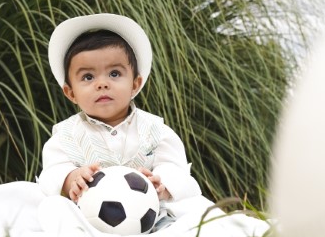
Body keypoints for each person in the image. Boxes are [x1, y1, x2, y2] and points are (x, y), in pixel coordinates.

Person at [36, 13, 201, 214]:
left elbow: (175, 167)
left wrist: (163, 183)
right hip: (85, 215)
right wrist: (71, 178)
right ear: (71, 93)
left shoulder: (156, 130)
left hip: (150, 215)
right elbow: (52, 172)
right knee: (53, 209)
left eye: (114, 74)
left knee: (192, 211)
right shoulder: (66, 136)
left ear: (135, 84)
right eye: (88, 77)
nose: (102, 83)